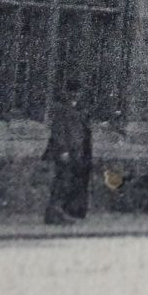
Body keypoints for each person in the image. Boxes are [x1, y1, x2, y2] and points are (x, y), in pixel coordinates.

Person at [42, 81, 93, 225]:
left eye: (77, 92)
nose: (75, 95)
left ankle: (63, 212)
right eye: (72, 92)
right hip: (66, 152)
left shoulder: (78, 108)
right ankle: (54, 213)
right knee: (61, 182)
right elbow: (58, 131)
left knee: (70, 182)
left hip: (77, 151)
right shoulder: (61, 108)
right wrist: (63, 150)